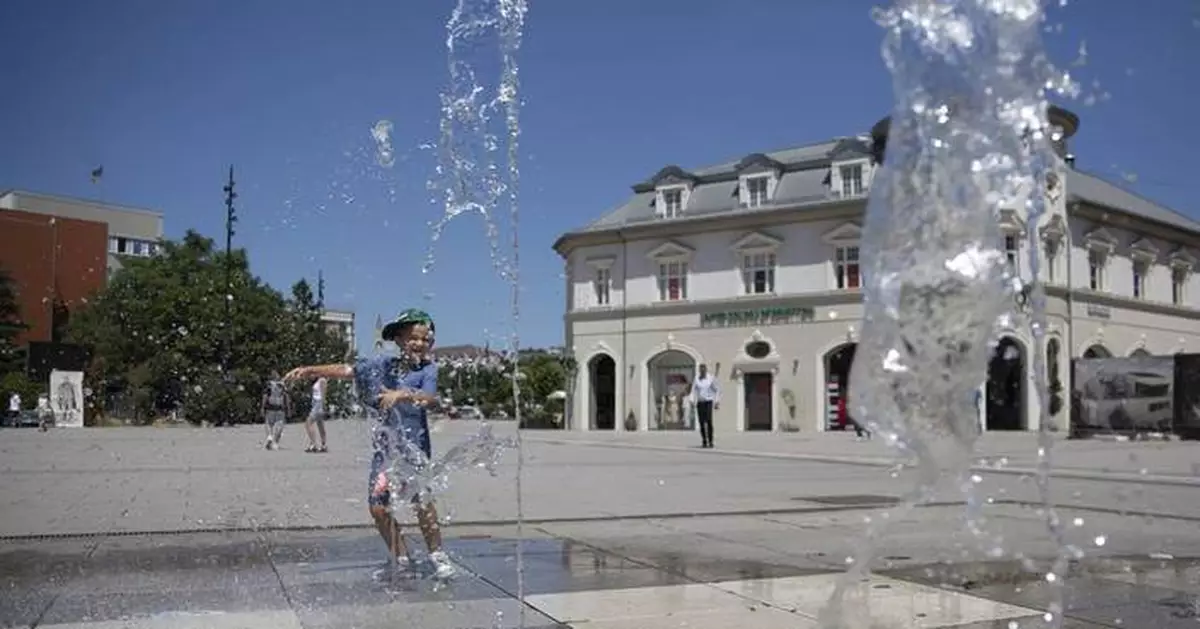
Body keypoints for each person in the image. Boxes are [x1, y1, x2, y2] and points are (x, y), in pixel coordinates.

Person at [285, 308, 454, 579]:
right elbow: (349, 370)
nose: (420, 344)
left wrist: (401, 394)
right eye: (413, 337)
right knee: (377, 506)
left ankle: (437, 553)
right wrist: (310, 370)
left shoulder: (428, 369)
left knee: (421, 502)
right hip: (386, 453)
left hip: (414, 451)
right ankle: (400, 556)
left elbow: (430, 398)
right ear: (398, 339)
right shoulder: (383, 366)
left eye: (425, 340)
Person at [692, 364, 719, 448]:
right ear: (699, 371)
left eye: (704, 370)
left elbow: (716, 390)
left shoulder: (710, 378)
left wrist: (717, 401)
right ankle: (704, 440)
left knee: (709, 421)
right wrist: (692, 400)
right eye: (701, 370)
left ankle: (710, 441)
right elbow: (693, 390)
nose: (702, 371)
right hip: (700, 402)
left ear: (706, 370)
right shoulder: (697, 378)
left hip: (708, 402)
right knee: (701, 422)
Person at [261, 373, 290, 449]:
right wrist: (288, 408)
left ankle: (269, 436)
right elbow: (286, 397)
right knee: (280, 425)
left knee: (268, 424)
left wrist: (262, 407)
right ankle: (276, 443)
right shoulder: (282, 386)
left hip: (270, 408)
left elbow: (265, 396)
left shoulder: (268, 385)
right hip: (280, 408)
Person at [304, 376, 328, 453]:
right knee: (320, 424)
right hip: (315, 404)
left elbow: (323, 394)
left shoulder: (322, 380)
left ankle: (314, 444)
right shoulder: (315, 382)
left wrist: (323, 406)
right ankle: (323, 445)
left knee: (308, 423)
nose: (310, 376)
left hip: (318, 404)